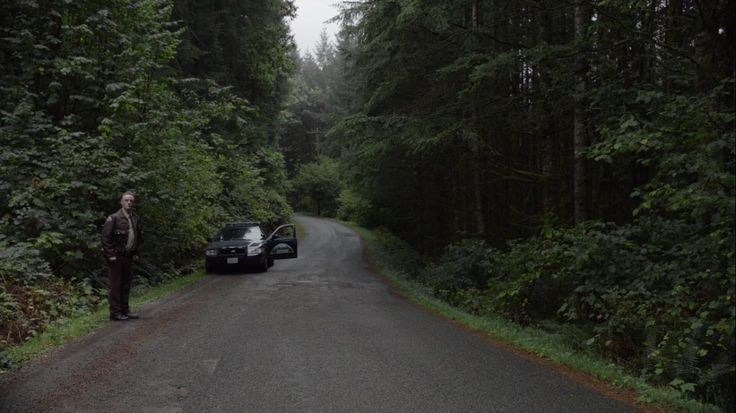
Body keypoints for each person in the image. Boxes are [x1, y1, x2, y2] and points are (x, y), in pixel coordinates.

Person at [101, 191, 143, 321]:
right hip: (116, 256)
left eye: (131, 200)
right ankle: (115, 313)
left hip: (128, 256)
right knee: (116, 285)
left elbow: (138, 237)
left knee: (126, 284)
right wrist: (110, 255)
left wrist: (135, 252)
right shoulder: (113, 218)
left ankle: (125, 311)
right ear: (121, 202)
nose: (129, 202)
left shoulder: (135, 218)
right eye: (126, 200)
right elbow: (105, 238)